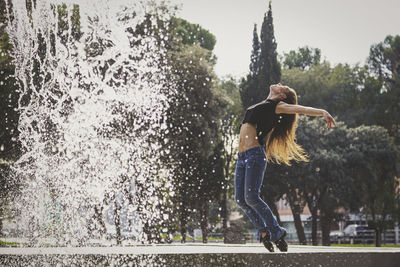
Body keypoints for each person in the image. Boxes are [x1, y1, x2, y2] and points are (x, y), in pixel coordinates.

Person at [235, 83, 336, 252]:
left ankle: (276, 232)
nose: (279, 84)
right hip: (242, 157)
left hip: (254, 155)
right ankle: (264, 232)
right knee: (240, 199)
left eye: (283, 86)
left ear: (282, 95)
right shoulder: (264, 104)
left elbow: (301, 109)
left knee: (251, 197)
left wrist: (322, 112)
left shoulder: (279, 106)